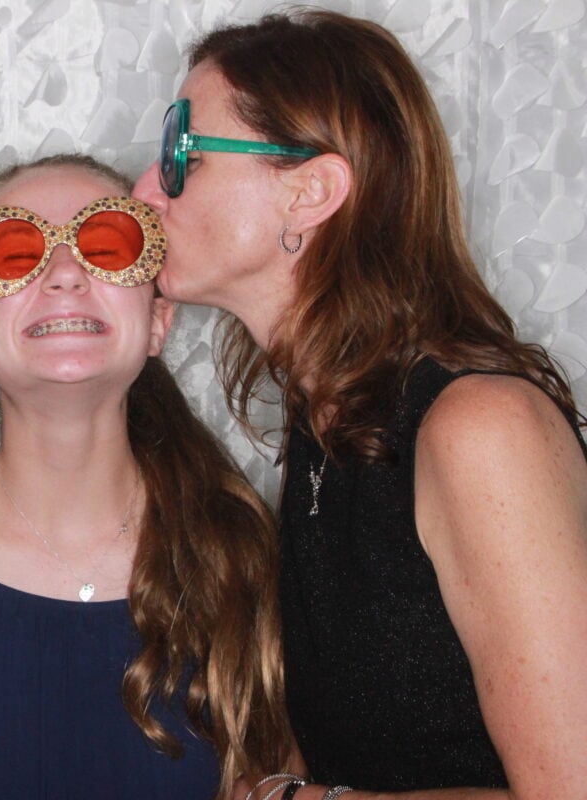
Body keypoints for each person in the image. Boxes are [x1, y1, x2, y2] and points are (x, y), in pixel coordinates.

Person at [131, 10, 587, 800]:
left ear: (310, 192)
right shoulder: (327, 428)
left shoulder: (478, 428)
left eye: (184, 157)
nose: (145, 190)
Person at [0, 153, 291, 800]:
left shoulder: (243, 552)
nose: (65, 273)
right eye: (13, 253)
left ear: (158, 322)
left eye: (108, 246)